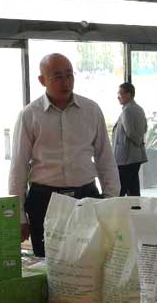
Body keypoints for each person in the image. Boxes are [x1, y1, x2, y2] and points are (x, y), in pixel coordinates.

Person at [8, 53, 120, 257]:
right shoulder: (29, 115)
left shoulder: (91, 110)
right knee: (46, 263)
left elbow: (106, 159)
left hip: (86, 197)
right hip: (44, 201)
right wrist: (19, 217)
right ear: (42, 80)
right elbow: (18, 168)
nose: (66, 82)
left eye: (69, 75)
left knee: (90, 261)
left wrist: (110, 202)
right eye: (57, 77)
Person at [112, 82, 148, 196]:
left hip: (126, 158)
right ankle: (136, 207)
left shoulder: (127, 110)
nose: (118, 96)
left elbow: (131, 132)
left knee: (120, 190)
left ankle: (118, 208)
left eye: (120, 93)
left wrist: (138, 141)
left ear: (128, 94)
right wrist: (140, 142)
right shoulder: (139, 108)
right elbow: (145, 128)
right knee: (133, 190)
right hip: (135, 157)